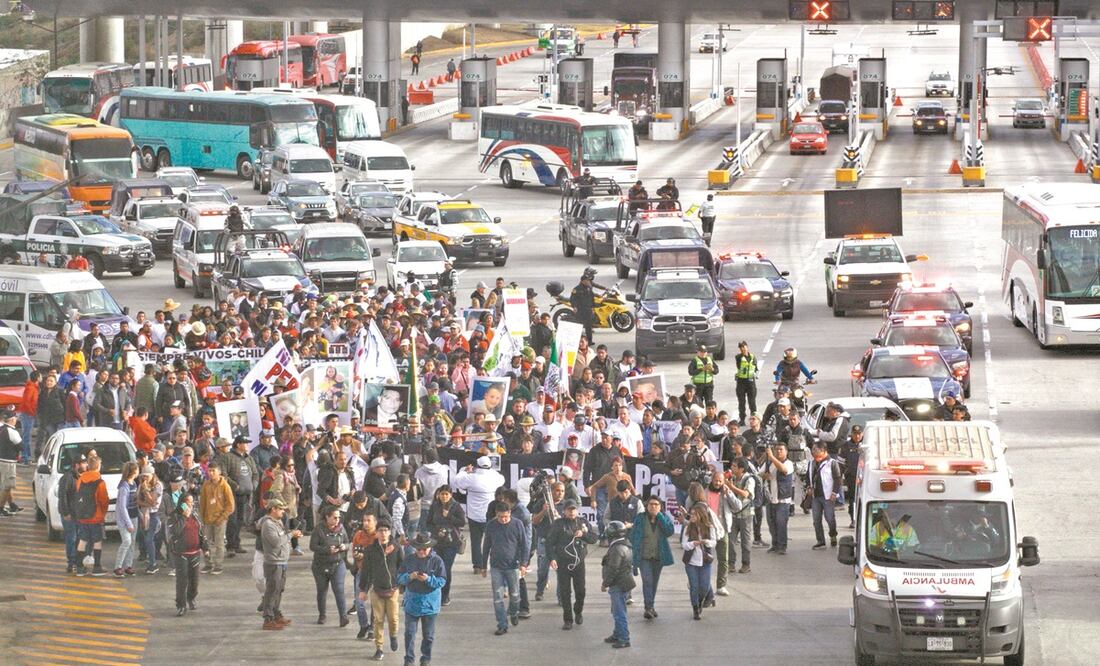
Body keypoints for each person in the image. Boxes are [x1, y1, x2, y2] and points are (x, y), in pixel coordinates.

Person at [545, 498, 597, 630]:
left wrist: (583, 534)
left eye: (573, 509)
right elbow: (549, 543)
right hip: (563, 563)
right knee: (565, 592)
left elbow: (594, 538)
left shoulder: (583, 522)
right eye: (569, 510)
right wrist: (552, 558)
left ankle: (578, 610)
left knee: (581, 591)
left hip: (578, 562)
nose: (572, 512)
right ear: (564, 511)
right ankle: (567, 619)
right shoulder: (558, 524)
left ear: (577, 510)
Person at [397, 532, 447, 666]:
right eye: (419, 549)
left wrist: (428, 579)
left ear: (430, 548)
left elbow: (442, 581)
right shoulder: (409, 560)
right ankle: (409, 659)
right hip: (412, 604)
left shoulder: (437, 561)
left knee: (428, 635)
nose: (422, 552)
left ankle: (425, 658)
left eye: (424, 549)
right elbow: (399, 578)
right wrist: (410, 577)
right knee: (409, 634)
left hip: (430, 605)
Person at [482, 503, 529, 636]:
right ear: (496, 514)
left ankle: (514, 612)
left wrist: (524, 564)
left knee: (515, 595)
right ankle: (502, 624)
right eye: (500, 517)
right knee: (497, 597)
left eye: (505, 517)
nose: (503, 519)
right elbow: (486, 546)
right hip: (496, 566)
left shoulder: (517, 524)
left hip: (513, 566)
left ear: (510, 513)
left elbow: (524, 545)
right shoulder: (491, 525)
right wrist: (483, 565)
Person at [453, 456, 505, 575]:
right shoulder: (495, 477)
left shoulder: (471, 478)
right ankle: (494, 563)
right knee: (493, 541)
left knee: (476, 542)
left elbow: (457, 480)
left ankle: (477, 565)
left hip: (474, 515)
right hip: (490, 515)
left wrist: (464, 471)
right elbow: (502, 479)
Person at [361, 518, 402, 660]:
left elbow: (402, 567)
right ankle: (379, 648)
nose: (383, 533)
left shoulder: (396, 547)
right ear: (376, 533)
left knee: (393, 618)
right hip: (376, 589)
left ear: (390, 532)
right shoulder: (371, 550)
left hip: (393, 589)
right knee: (378, 620)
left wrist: (403, 586)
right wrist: (362, 590)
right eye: (380, 531)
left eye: (386, 530)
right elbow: (366, 570)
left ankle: (393, 635)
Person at [630, 496, 674, 620]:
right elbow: (633, 536)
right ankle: (648, 607)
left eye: (656, 504)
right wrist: (633, 555)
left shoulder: (664, 517)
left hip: (659, 556)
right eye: (651, 504)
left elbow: (669, 531)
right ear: (646, 506)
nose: (653, 506)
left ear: (660, 506)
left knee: (654, 582)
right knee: (647, 581)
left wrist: (659, 516)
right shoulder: (640, 518)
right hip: (644, 556)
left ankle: (651, 605)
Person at [260, 498, 300, 630]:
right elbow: (276, 542)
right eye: (281, 509)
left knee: (279, 589)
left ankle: (276, 613)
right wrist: (290, 535)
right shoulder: (268, 524)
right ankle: (268, 618)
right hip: (273, 562)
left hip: (281, 561)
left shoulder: (277, 522)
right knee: (272, 590)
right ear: (273, 509)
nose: (283, 512)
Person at [425, 485, 466, 606]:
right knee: (436, 568)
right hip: (437, 542)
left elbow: (462, 522)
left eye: (446, 494)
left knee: (446, 569)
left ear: (451, 495)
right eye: (442, 494)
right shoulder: (434, 506)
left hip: (451, 542)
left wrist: (449, 516)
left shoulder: (456, 506)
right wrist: (435, 530)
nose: (444, 496)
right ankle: (435, 593)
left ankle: (445, 595)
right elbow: (428, 523)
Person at [169, 493, 207, 616]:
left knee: (194, 581)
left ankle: (191, 597)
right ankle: (181, 605)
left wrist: (204, 548)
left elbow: (201, 532)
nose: (191, 504)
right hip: (181, 554)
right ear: (182, 503)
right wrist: (184, 517)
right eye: (188, 502)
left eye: (192, 501)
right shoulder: (175, 516)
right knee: (182, 581)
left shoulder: (195, 515)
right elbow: (175, 531)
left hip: (195, 552)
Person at [600, 520, 634, 649]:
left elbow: (613, 568)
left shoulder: (617, 548)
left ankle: (624, 638)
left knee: (619, 612)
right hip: (623, 582)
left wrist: (605, 583)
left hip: (618, 584)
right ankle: (617, 633)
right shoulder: (624, 545)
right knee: (617, 610)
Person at [74, 455, 109, 576]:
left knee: (82, 541)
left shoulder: (80, 480)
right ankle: (97, 567)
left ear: (88, 466)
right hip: (96, 517)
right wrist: (103, 513)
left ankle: (79, 567)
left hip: (83, 517)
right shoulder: (100, 482)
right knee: (97, 541)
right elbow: (104, 500)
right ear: (99, 466)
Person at [681, 503, 717, 620]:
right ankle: (695, 608)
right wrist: (692, 544)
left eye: (694, 515)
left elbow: (714, 542)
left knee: (705, 586)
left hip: (705, 561)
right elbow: (684, 545)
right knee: (694, 586)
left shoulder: (709, 527)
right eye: (691, 514)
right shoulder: (687, 528)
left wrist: (706, 542)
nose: (691, 517)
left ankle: (700, 601)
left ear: (701, 515)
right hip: (691, 562)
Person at [199, 464, 234, 575]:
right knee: (206, 543)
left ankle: (218, 565)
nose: (211, 473)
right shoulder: (206, 485)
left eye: (213, 471)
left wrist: (223, 517)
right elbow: (202, 503)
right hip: (208, 519)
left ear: (219, 472)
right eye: (209, 471)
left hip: (220, 519)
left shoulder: (225, 486)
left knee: (219, 543)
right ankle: (208, 564)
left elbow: (230, 506)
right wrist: (202, 518)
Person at [807, 442, 842, 550]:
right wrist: (809, 487)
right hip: (816, 496)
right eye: (813, 449)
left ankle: (833, 535)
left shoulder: (832, 463)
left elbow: (837, 479)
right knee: (816, 520)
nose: (813, 452)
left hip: (828, 496)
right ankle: (820, 541)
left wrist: (834, 493)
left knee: (829, 518)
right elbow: (808, 477)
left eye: (815, 449)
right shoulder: (812, 463)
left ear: (823, 451)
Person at [762, 443, 794, 555]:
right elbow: (760, 473)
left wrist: (771, 457)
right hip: (771, 497)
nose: (778, 452)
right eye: (776, 450)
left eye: (781, 450)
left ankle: (782, 546)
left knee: (781, 523)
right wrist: (764, 476)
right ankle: (775, 544)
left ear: (786, 452)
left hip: (783, 499)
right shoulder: (770, 462)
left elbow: (783, 470)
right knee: (772, 523)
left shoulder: (788, 463)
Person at [727, 458, 756, 573]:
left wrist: (732, 487)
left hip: (746, 514)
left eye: (734, 466)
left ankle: (746, 564)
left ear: (741, 469)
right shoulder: (732, 478)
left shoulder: (749, 480)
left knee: (745, 541)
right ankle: (731, 564)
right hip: (733, 514)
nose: (732, 468)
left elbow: (746, 494)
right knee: (731, 540)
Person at [113, 462, 140, 577]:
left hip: (134, 515)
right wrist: (128, 523)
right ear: (134, 472)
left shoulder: (133, 483)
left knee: (132, 542)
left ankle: (128, 565)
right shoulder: (124, 486)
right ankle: (118, 566)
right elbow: (122, 507)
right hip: (125, 519)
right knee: (127, 541)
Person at [840, 425, 863, 528]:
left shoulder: (867, 445)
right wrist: (839, 476)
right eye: (855, 434)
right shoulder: (846, 446)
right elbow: (841, 463)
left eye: (859, 434)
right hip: (852, 477)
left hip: (865, 478)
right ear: (852, 434)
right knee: (853, 499)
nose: (857, 436)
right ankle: (853, 519)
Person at [0, 410, 23, 516]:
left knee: (5, 484)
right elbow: (21, 446)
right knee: (7, 486)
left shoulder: (1, 429)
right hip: (7, 462)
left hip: (1, 460)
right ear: (12, 419)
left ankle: (12, 505)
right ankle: (0, 509)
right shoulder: (12, 432)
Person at [732, 341, 758, 426]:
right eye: (741, 347)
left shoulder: (753, 357)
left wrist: (755, 374)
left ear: (747, 347)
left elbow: (756, 368)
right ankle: (742, 419)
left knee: (752, 402)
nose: (743, 349)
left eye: (744, 347)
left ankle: (754, 419)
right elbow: (739, 365)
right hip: (741, 382)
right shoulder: (738, 357)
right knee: (741, 402)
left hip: (751, 382)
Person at [570, 269, 597, 344]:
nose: (588, 282)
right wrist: (574, 307)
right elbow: (572, 299)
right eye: (587, 280)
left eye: (589, 280)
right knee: (578, 326)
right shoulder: (576, 289)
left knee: (588, 327)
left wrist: (592, 308)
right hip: (580, 311)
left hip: (587, 310)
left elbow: (592, 298)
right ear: (582, 281)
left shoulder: (589, 288)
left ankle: (590, 341)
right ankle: (576, 341)